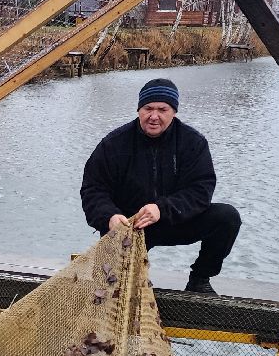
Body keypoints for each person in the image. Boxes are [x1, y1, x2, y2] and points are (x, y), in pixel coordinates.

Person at [79, 77, 240, 295]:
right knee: (111, 290)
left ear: (173, 112)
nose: (154, 116)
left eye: (162, 109)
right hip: (129, 227)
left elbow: (201, 190)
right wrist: (109, 217)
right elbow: (93, 189)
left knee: (227, 217)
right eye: (148, 108)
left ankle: (200, 278)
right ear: (139, 110)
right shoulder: (113, 144)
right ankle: (124, 278)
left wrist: (161, 209)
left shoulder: (193, 142)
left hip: (176, 220)